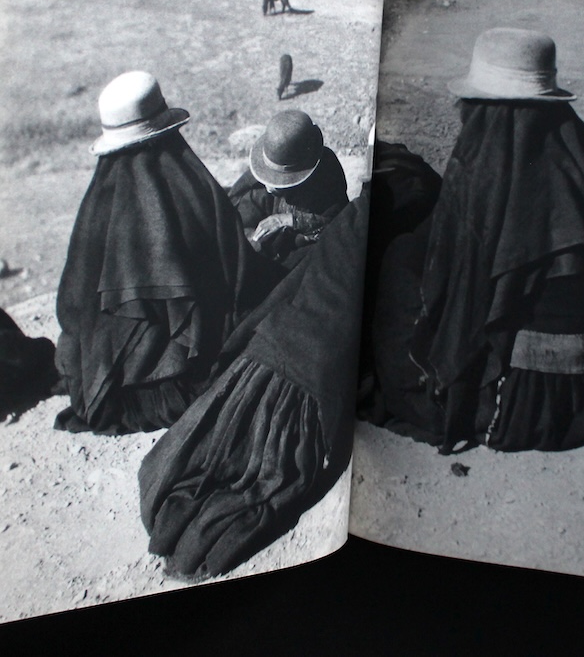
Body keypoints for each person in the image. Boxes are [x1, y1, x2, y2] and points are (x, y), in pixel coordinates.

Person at [372, 27, 584, 454]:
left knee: (403, 261)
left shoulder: (482, 167)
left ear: (478, 102)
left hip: (514, 406)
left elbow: (459, 276)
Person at [139, 195, 369, 579]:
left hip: (269, 350)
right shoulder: (384, 231)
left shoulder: (346, 224)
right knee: (266, 473)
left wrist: (238, 352)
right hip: (311, 371)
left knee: (214, 448)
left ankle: (176, 516)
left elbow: (280, 296)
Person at [54, 71, 277, 434]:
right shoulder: (191, 188)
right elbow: (233, 276)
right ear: (165, 129)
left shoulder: (96, 210)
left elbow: (74, 305)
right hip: (182, 374)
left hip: (103, 382)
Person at [228, 109, 349, 265]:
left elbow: (340, 223)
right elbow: (238, 219)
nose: (269, 188)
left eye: (279, 180)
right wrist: (253, 238)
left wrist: (290, 220)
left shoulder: (327, 170)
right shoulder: (256, 186)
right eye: (268, 176)